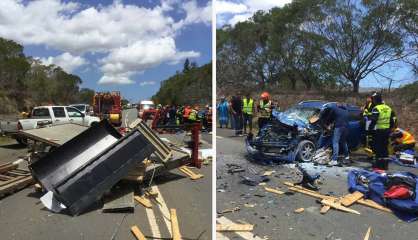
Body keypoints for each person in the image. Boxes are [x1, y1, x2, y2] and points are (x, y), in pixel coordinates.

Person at [369, 92, 397, 170]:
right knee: (385, 148)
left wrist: (370, 130)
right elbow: (392, 121)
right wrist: (390, 129)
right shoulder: (388, 108)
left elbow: (373, 121)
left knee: (378, 148)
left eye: (373, 99)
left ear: (375, 100)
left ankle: (378, 166)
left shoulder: (376, 108)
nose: (373, 101)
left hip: (379, 131)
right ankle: (385, 165)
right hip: (387, 131)